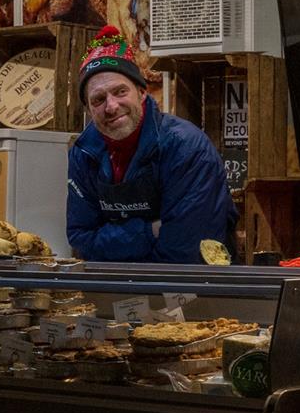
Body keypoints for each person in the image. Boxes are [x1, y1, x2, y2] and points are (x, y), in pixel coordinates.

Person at [66, 26, 237, 263]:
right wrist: (151, 230)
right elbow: (80, 238)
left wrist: (114, 242)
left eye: (120, 91)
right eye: (98, 99)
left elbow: (185, 250)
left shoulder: (185, 146)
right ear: (88, 109)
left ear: (142, 92)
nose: (111, 106)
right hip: (117, 291)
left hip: (192, 291)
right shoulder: (82, 153)